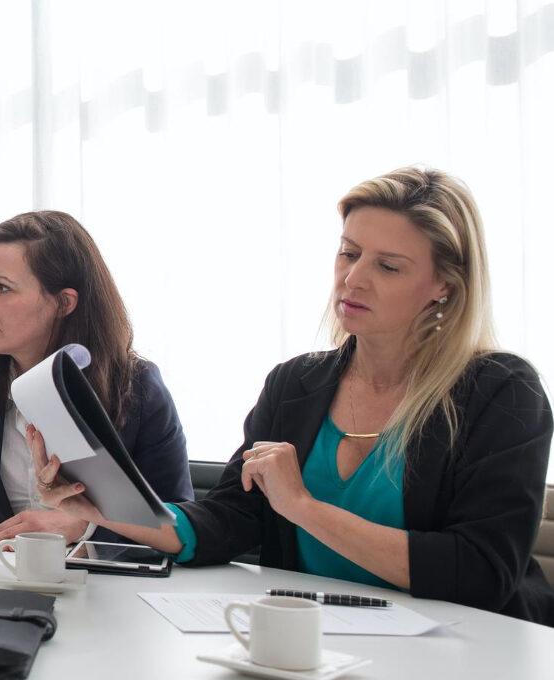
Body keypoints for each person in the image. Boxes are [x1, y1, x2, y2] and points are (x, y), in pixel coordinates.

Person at [28, 167, 554, 626]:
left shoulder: (502, 393)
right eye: (348, 252)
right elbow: (230, 519)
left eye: (388, 266)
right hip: (318, 646)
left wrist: (302, 506)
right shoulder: (295, 385)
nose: (353, 278)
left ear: (445, 285)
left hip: (471, 658)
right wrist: (101, 508)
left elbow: (482, 572)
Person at [0, 210, 192, 553]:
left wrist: (83, 525)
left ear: (64, 303)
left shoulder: (139, 387)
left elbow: (181, 522)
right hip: (13, 582)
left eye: (2, 288)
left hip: (111, 591)